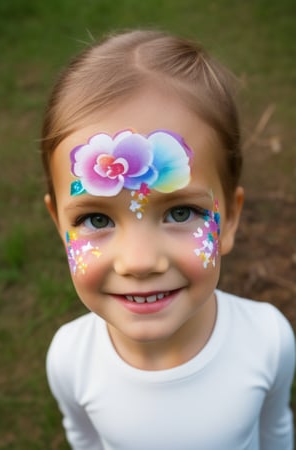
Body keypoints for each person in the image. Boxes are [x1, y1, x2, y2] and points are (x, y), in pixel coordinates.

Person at [41, 29, 295, 450]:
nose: (139, 262)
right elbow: (82, 438)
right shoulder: (70, 359)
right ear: (59, 225)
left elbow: (276, 430)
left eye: (180, 212)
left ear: (229, 219)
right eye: (97, 219)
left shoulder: (268, 340)